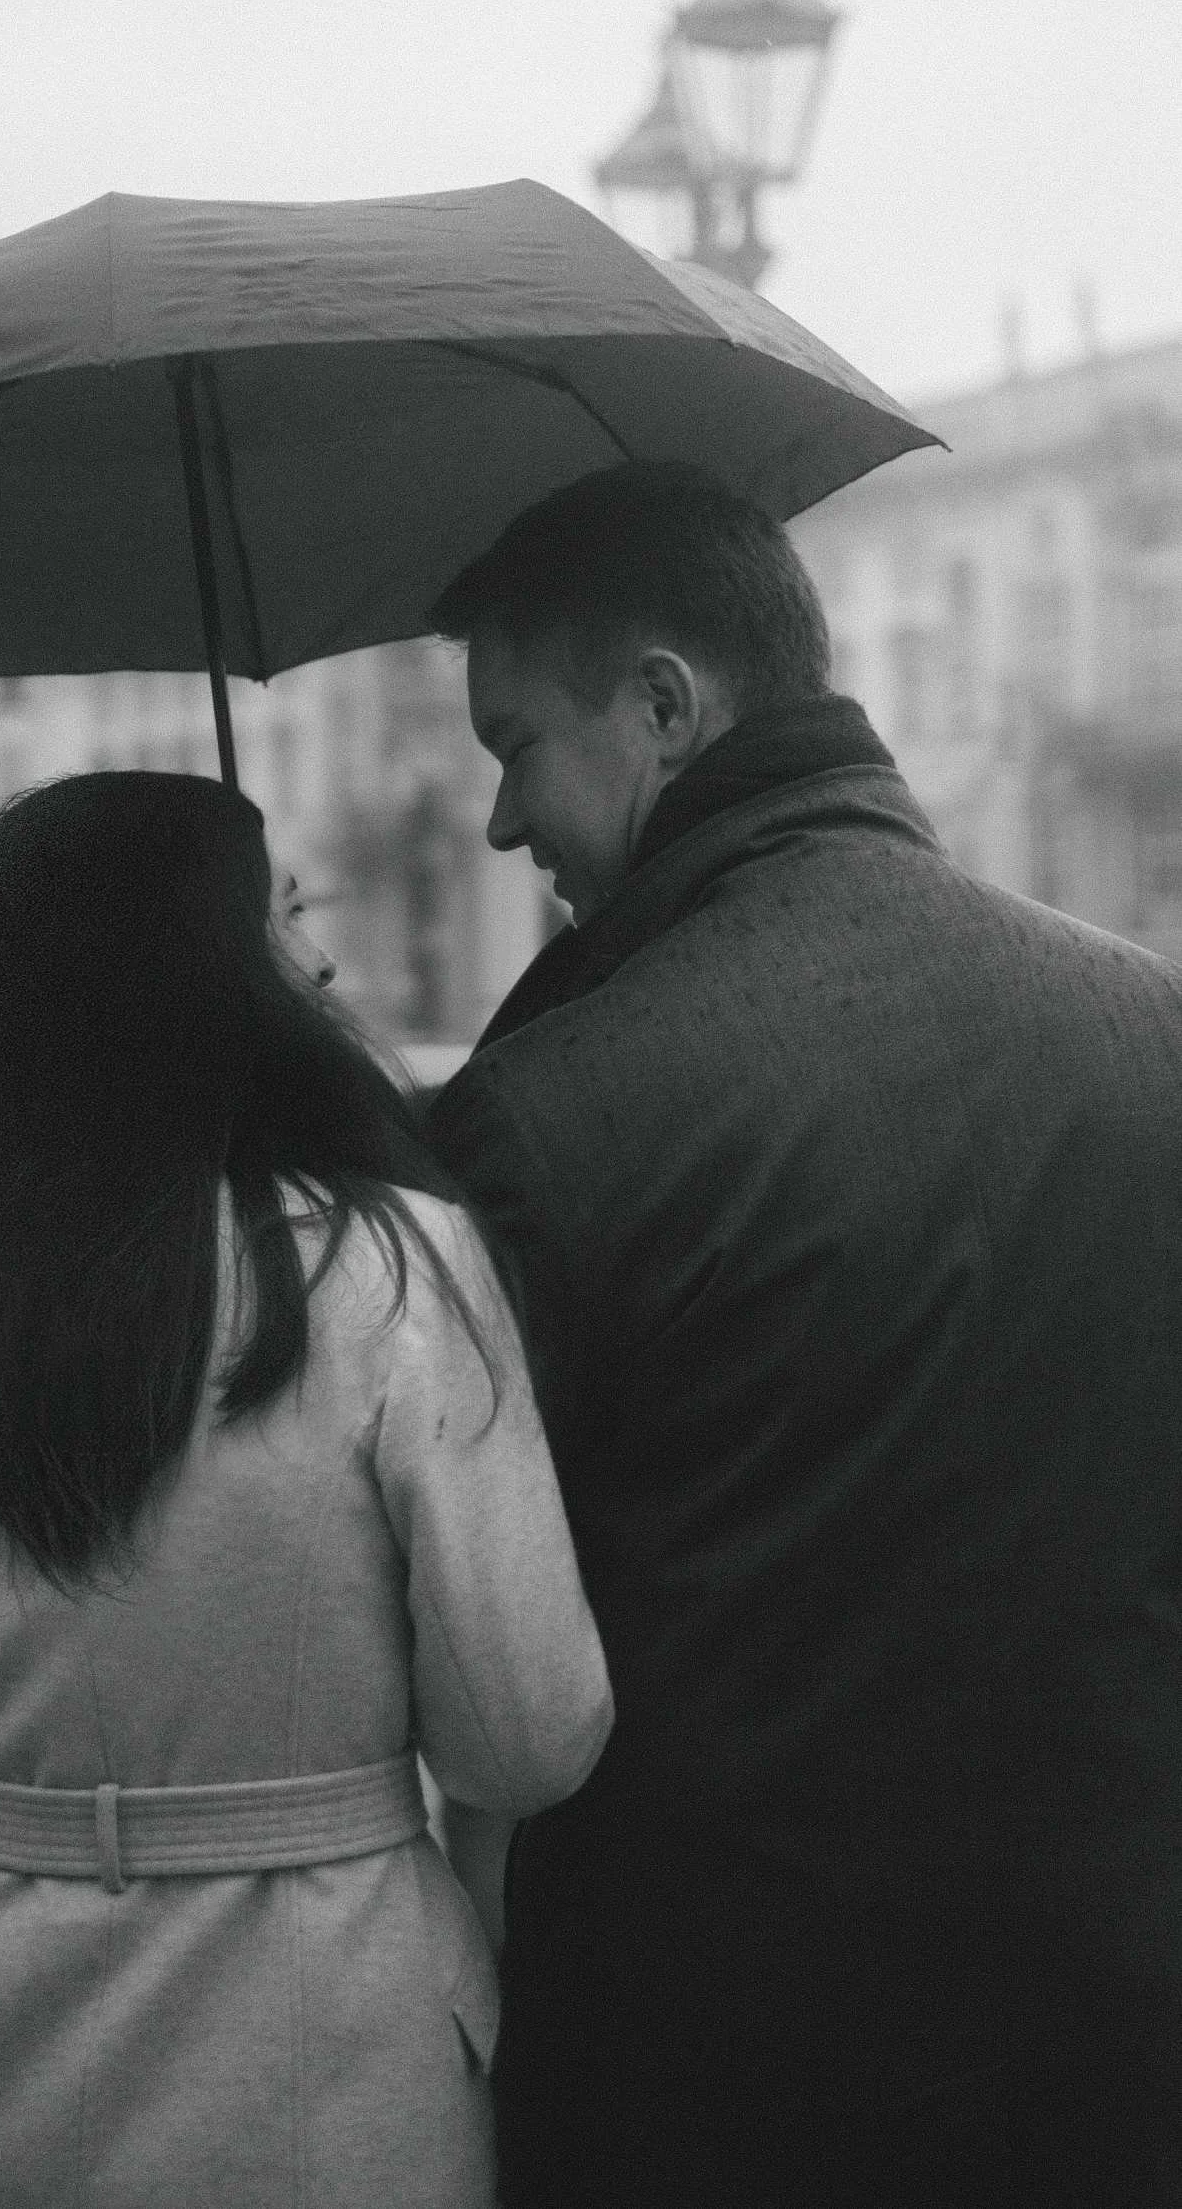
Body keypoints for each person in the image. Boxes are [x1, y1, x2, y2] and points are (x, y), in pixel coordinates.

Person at [426, 460, 1182, 2209]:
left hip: (710, 2103)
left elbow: (484, 1689)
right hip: (1108, 2070)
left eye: (514, 745)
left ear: (667, 707)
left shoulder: (553, 1120)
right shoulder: (1155, 1038)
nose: (499, 824)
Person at [0, 770, 611, 2209]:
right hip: (335, 2040)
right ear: (196, 969)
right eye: (285, 914)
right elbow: (527, 1732)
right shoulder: (392, 1263)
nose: (323, 957)